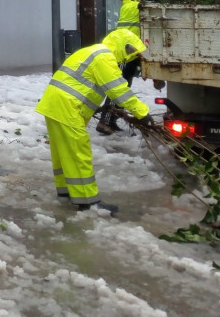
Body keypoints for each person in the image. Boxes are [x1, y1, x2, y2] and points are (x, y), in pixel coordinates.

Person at [35, 28, 153, 214]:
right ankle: (88, 201)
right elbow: (118, 91)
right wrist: (142, 113)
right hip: (67, 107)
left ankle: (66, 190)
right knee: (78, 153)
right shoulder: (104, 58)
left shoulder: (91, 51)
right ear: (123, 46)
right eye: (130, 51)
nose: (130, 56)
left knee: (63, 152)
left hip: (54, 104)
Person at [96, 0, 143, 134]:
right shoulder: (135, 6)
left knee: (123, 86)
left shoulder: (126, 7)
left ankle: (111, 120)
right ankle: (105, 121)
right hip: (126, 53)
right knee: (119, 88)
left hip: (129, 52)